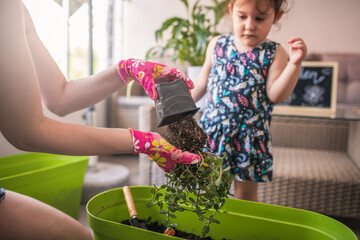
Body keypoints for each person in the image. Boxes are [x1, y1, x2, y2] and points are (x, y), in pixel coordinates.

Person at [0, 1, 200, 239]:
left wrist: (127, 70)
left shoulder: (15, 8)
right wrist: (142, 141)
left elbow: (59, 96)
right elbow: (28, 133)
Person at [191, 0, 307, 201]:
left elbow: (276, 94)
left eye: (260, 18)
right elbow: (201, 83)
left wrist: (294, 65)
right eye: (242, 16)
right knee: (208, 192)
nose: (250, 25)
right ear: (231, 11)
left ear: (276, 17)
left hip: (249, 139)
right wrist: (177, 109)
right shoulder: (217, 44)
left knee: (245, 197)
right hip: (213, 134)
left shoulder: (274, 52)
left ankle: (242, 232)